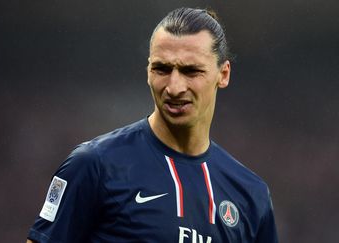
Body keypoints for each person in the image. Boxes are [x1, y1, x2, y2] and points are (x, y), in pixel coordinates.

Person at [26, 7, 278, 243]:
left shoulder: (251, 196)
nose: (174, 87)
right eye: (162, 69)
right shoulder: (94, 166)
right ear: (148, 70)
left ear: (223, 74)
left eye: (191, 71)